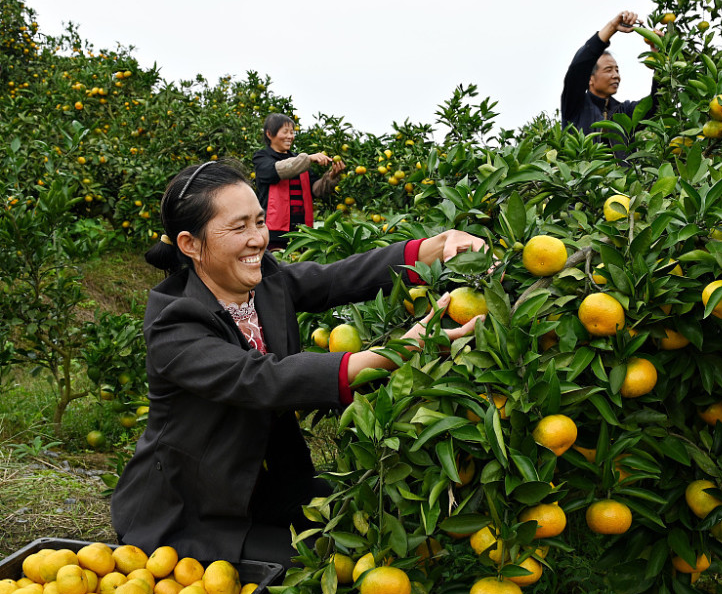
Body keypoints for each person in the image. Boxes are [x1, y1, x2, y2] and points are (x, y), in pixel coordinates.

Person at [111, 160, 486, 568]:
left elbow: (336, 278)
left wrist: (431, 248)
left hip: (269, 484)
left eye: (259, 221)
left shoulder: (266, 280)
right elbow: (259, 380)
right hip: (191, 512)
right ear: (190, 244)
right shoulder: (174, 321)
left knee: (367, 526)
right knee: (318, 565)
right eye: (239, 228)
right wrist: (400, 350)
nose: (258, 239)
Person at [252, 113, 345, 250]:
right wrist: (308, 159)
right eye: (285, 132)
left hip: (303, 232)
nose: (290, 136)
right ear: (270, 134)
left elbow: (315, 190)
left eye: (292, 132)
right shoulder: (262, 157)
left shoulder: (300, 161)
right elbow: (276, 170)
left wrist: (331, 176)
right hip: (274, 233)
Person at [561, 10, 658, 136]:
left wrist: (660, 58)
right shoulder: (576, 106)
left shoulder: (624, 112)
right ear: (590, 79)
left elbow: (656, 104)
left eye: (617, 70)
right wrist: (612, 27)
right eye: (608, 70)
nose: (616, 75)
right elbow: (578, 68)